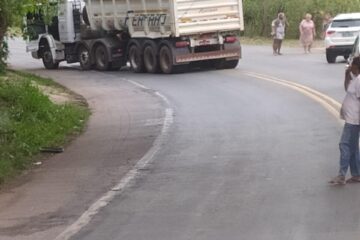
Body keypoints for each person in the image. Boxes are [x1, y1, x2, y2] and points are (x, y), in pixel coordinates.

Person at [329, 57, 360, 185]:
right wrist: (347, 75)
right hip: (351, 117)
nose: (350, 66)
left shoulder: (359, 81)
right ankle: (356, 174)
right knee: (353, 147)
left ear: (356, 66)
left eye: (352, 65)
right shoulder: (355, 79)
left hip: (354, 119)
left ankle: (341, 175)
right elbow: (347, 88)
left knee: (344, 145)